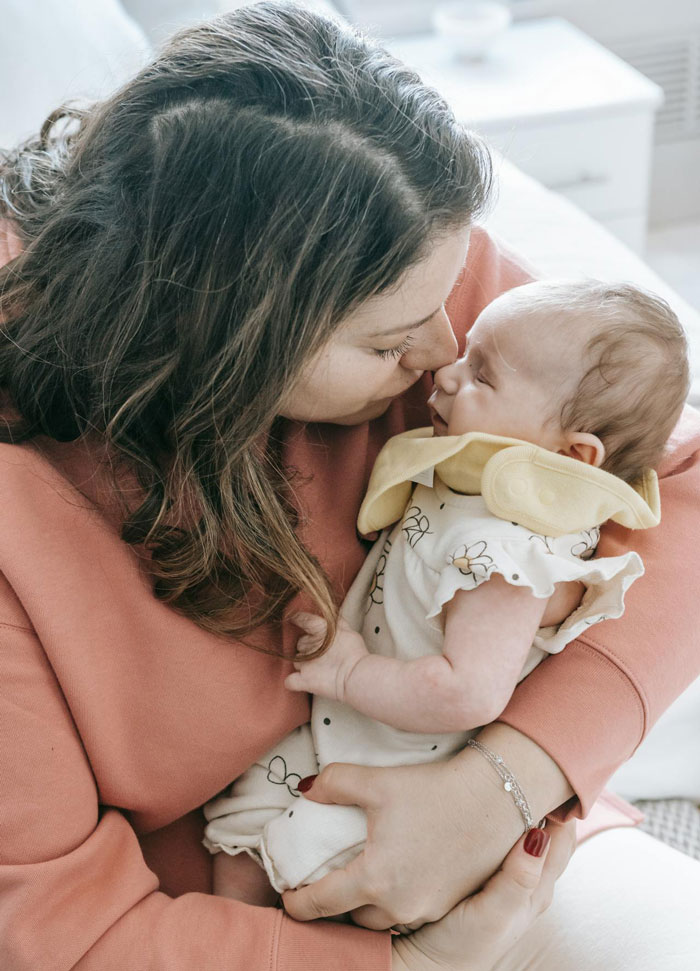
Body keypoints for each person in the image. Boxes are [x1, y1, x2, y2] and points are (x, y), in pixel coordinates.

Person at [1, 3, 700, 970]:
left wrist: (497, 784)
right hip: (216, 910)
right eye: (385, 343)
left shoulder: (397, 250)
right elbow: (66, 929)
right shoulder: (24, 510)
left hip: (479, 817)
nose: (443, 353)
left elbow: (679, 480)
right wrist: (416, 965)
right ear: (222, 335)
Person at [205, 276, 686, 896]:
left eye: (483, 376)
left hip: (403, 769)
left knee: (297, 868)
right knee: (240, 834)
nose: (446, 373)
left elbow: (469, 693)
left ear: (575, 456)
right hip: (348, 734)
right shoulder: (471, 485)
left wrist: (351, 674)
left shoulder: (513, 552)